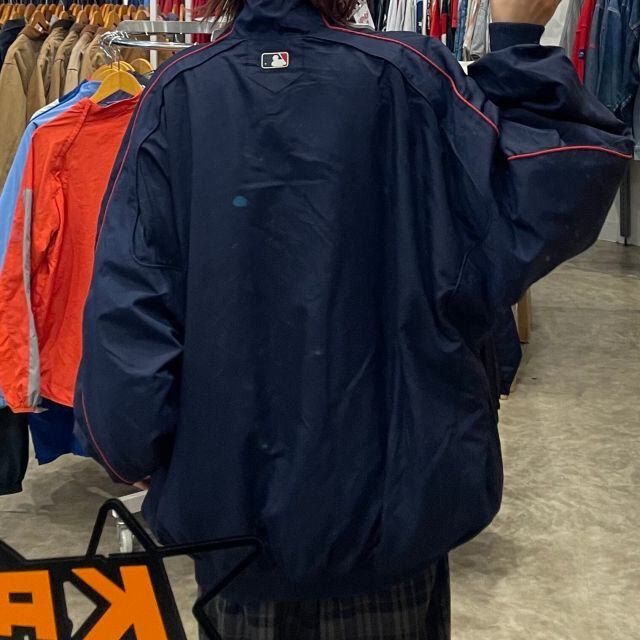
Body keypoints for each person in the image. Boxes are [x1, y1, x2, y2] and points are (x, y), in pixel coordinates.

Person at [74, 0, 632, 637]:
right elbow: (559, 184)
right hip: (391, 513)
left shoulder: (176, 97)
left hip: (236, 533)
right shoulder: (414, 79)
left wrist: (141, 454)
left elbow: (129, 315)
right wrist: (515, 39)